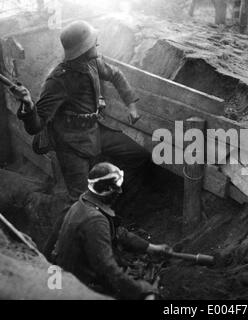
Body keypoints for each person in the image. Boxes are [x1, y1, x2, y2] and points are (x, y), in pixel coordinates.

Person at [10, 20, 150, 256]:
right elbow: (36, 126)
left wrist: (132, 104)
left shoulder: (94, 62)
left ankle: (110, 215)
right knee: (80, 202)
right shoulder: (59, 80)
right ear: (84, 48)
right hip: (70, 143)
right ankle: (51, 251)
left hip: (95, 131)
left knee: (139, 155)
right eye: (93, 41)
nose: (98, 43)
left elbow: (116, 75)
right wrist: (27, 104)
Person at [54, 162, 171, 300]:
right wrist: (142, 290)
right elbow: (107, 268)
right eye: (117, 189)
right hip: (81, 287)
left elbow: (118, 232)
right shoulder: (95, 221)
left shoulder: (83, 204)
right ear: (107, 190)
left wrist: (150, 248)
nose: (119, 192)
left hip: (71, 276)